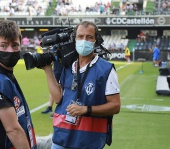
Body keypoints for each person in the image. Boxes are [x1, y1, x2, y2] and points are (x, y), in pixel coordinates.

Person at [42, 21, 121, 149]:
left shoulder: (106, 69)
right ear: (75, 40)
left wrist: (86, 109)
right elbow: (58, 99)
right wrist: (48, 70)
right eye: (80, 36)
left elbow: (115, 106)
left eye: (89, 37)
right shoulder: (67, 66)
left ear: (95, 41)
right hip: (61, 138)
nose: (84, 40)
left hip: (88, 142)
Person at [0, 20, 37, 149]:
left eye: (15, 45)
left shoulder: (7, 76)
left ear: (21, 43)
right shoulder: (1, 80)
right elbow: (13, 131)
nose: (10, 51)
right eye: (3, 46)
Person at [41, 45, 63, 117]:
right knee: (54, 87)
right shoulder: (55, 45)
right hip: (57, 69)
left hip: (63, 69)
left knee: (62, 89)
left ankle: (60, 110)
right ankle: (50, 107)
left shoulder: (65, 45)